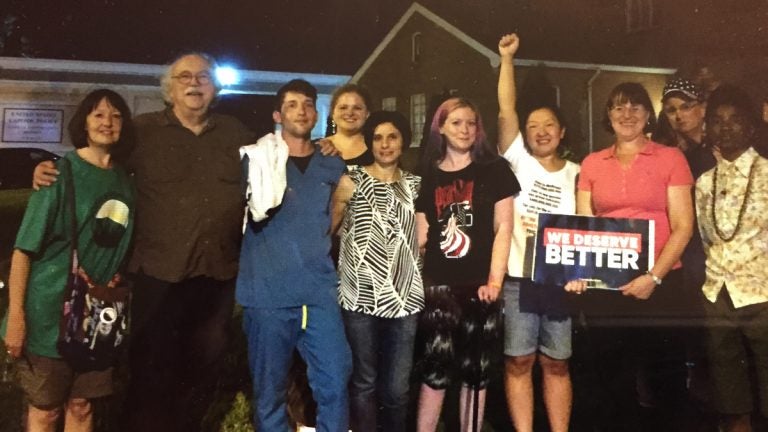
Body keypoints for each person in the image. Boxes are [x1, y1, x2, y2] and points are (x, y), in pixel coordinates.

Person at [34, 52, 254, 432]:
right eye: (184, 76)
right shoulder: (143, 132)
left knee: (202, 368)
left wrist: (330, 145)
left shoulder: (237, 135)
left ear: (216, 88)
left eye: (203, 77)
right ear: (169, 89)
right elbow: (96, 157)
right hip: (157, 274)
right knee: (152, 370)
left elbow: (282, 157)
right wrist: (46, 166)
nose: (194, 83)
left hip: (215, 276)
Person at [2, 89, 135, 432]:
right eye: (98, 115)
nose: (108, 122)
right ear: (84, 124)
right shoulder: (58, 175)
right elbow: (23, 250)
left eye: (116, 115)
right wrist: (16, 315)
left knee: (82, 406)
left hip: (97, 319)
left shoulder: (126, 180)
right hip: (49, 316)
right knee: (45, 410)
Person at [565, 82, 694, 430]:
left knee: (665, 377)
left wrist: (653, 277)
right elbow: (585, 227)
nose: (627, 115)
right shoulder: (592, 164)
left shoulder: (671, 158)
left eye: (636, 107)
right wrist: (580, 272)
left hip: (662, 283)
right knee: (611, 379)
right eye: (619, 107)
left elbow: (683, 226)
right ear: (608, 115)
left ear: (648, 115)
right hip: (609, 286)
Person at [237, 79, 352, 432]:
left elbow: (335, 214)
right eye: (291, 105)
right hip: (268, 294)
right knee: (269, 390)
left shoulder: (332, 164)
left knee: (335, 377)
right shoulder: (256, 161)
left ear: (316, 112)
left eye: (307, 104)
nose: (301, 110)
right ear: (277, 114)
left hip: (318, 294)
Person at [415, 97, 518, 432]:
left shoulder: (495, 169)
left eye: (471, 123)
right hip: (439, 286)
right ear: (441, 128)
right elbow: (421, 232)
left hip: (481, 286)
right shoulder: (427, 174)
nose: (465, 129)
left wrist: (494, 281)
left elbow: (503, 228)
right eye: (456, 122)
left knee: (476, 374)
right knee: (436, 370)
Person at [496, 33, 578, 432]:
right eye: (533, 126)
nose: (541, 131)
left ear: (562, 132)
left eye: (549, 125)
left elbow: (591, 232)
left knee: (557, 363)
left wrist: (585, 274)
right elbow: (506, 107)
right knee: (518, 361)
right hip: (518, 280)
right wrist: (507, 59)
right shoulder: (518, 163)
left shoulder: (579, 175)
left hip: (560, 282)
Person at [330, 110, 424, 431]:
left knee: (397, 389)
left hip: (405, 299)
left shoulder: (416, 186)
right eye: (378, 137)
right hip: (359, 297)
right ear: (370, 142)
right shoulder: (351, 180)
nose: (385, 145)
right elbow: (328, 228)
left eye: (392, 137)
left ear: (403, 141)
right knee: (364, 381)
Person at [695, 84, 768, 432]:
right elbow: (707, 237)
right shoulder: (704, 182)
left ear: (751, 127)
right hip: (718, 293)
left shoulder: (767, 174)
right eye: (718, 121)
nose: (726, 127)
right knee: (729, 389)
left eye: (735, 120)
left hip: (763, 293)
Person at [326, 83, 374, 167]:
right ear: (332, 113)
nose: (350, 113)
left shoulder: (380, 150)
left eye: (357, 108)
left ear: (367, 114)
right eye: (343, 108)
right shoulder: (316, 148)